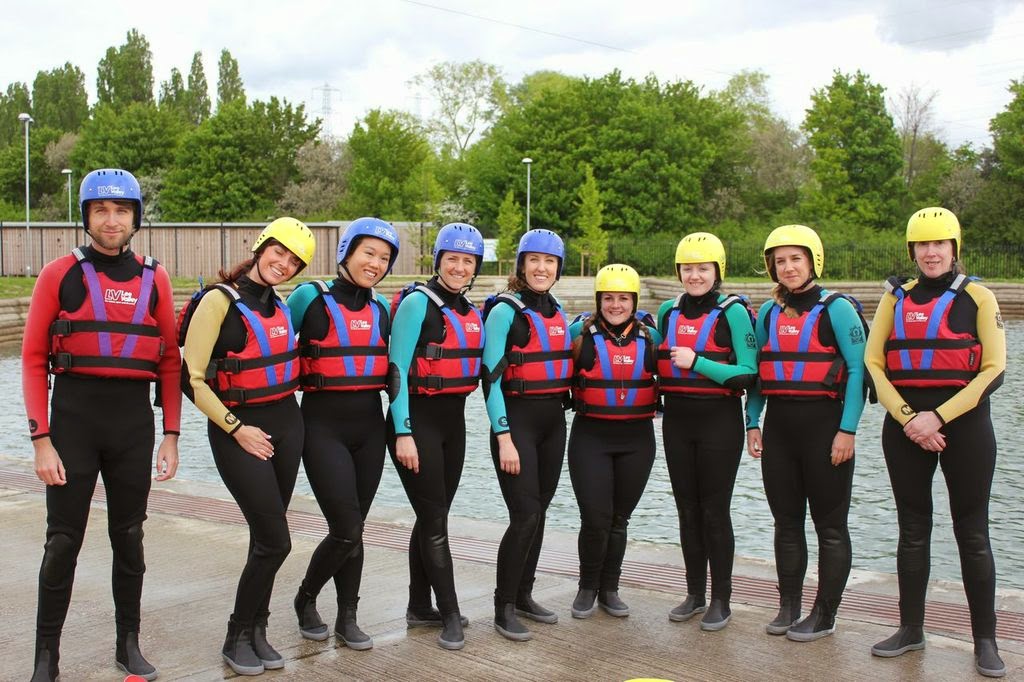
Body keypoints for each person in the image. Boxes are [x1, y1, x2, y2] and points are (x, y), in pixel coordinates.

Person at [22, 168, 182, 682]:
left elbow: (171, 362)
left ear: (136, 218)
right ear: (86, 216)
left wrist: (172, 434)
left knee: (129, 536)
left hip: (131, 424)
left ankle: (127, 645)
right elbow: (30, 359)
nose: (111, 220)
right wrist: (41, 439)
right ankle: (47, 655)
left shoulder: (154, 277)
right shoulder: (58, 274)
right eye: (100, 210)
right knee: (63, 541)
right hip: (73, 423)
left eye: (121, 211)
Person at [865, 208, 1006, 678]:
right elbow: (873, 363)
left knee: (973, 533)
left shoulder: (979, 297)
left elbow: (994, 370)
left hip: (964, 428)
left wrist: (937, 416)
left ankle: (985, 641)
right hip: (904, 429)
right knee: (912, 531)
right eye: (921, 245)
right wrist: (909, 418)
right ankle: (911, 629)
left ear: (954, 249)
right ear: (911, 251)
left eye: (939, 244)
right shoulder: (894, 298)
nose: (930, 252)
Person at [181, 217, 315, 676]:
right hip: (239, 432)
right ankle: (236, 634)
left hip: (287, 426)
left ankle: (258, 629)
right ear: (261, 247)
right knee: (276, 541)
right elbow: (191, 379)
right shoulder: (218, 301)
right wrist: (237, 428)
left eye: (295, 260)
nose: (285, 264)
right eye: (280, 252)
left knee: (266, 540)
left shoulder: (279, 306)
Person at [745, 224, 867, 642]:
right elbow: (761, 373)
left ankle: (825, 613)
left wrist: (847, 431)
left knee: (830, 527)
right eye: (780, 261)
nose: (788, 267)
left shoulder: (838, 309)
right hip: (780, 429)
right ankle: (789, 605)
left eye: (796, 258)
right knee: (786, 523)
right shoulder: (767, 313)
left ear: (813, 260)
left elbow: (856, 373)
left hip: (826, 429)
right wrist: (752, 420)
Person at [286, 218, 399, 651]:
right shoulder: (308, 298)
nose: (375, 264)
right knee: (346, 527)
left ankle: (347, 616)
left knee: (358, 528)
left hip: (369, 426)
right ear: (347, 252)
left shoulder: (382, 309)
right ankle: (305, 598)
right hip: (321, 425)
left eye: (384, 258)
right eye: (368, 253)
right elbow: (267, 338)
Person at [387, 222, 485, 651]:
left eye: (468, 261)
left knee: (432, 517)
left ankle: (418, 606)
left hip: (453, 425)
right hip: (415, 424)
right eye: (453, 260)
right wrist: (403, 431)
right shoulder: (416, 305)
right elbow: (397, 372)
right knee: (434, 521)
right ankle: (449, 615)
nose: (460, 268)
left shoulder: (469, 311)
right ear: (439, 261)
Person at [656, 232, 757, 631]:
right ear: (679, 271)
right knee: (687, 510)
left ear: (717, 271)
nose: (695, 276)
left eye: (703, 268)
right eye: (688, 268)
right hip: (678, 422)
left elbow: (749, 373)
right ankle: (694, 593)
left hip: (719, 422)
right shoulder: (668, 310)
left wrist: (698, 361)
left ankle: (721, 600)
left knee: (715, 512)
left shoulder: (733, 312)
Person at [482, 229, 572, 641]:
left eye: (549, 262)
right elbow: (491, 381)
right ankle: (503, 607)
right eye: (533, 260)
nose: (541, 268)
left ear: (558, 268)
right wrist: (503, 437)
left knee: (541, 512)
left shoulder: (556, 312)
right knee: (525, 516)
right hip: (515, 425)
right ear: (521, 265)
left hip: (553, 425)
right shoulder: (505, 311)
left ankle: (524, 595)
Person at [567, 264, 661, 620]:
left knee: (619, 519)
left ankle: (610, 588)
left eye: (623, 298)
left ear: (634, 301)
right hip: (590, 438)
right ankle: (587, 586)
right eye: (609, 298)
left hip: (637, 440)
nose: (616, 305)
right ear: (598, 300)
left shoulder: (651, 337)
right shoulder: (580, 333)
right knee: (595, 518)